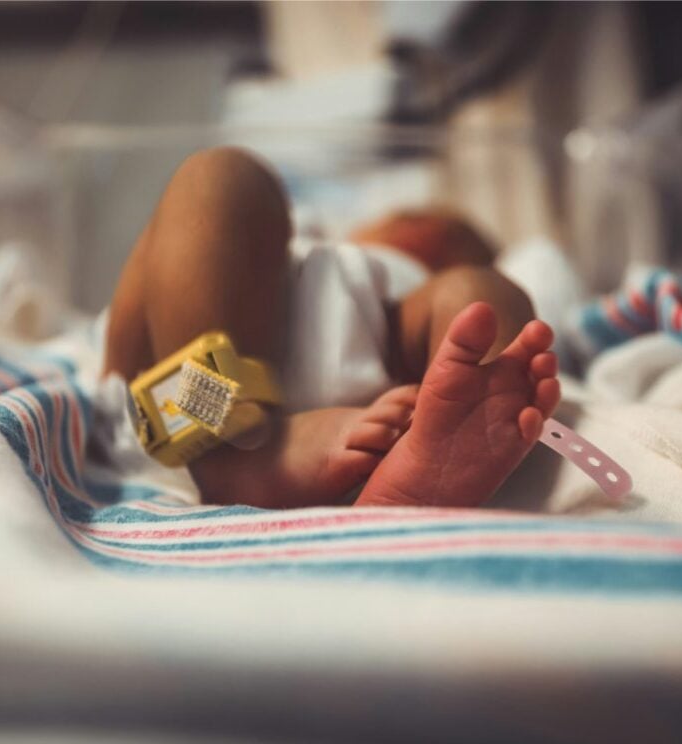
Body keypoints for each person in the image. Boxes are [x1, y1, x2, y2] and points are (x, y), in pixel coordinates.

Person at [104, 148, 560, 508]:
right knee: (218, 181)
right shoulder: (306, 239)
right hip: (171, 395)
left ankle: (459, 432)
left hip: (387, 398)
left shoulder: (403, 285)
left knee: (478, 297)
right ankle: (217, 445)